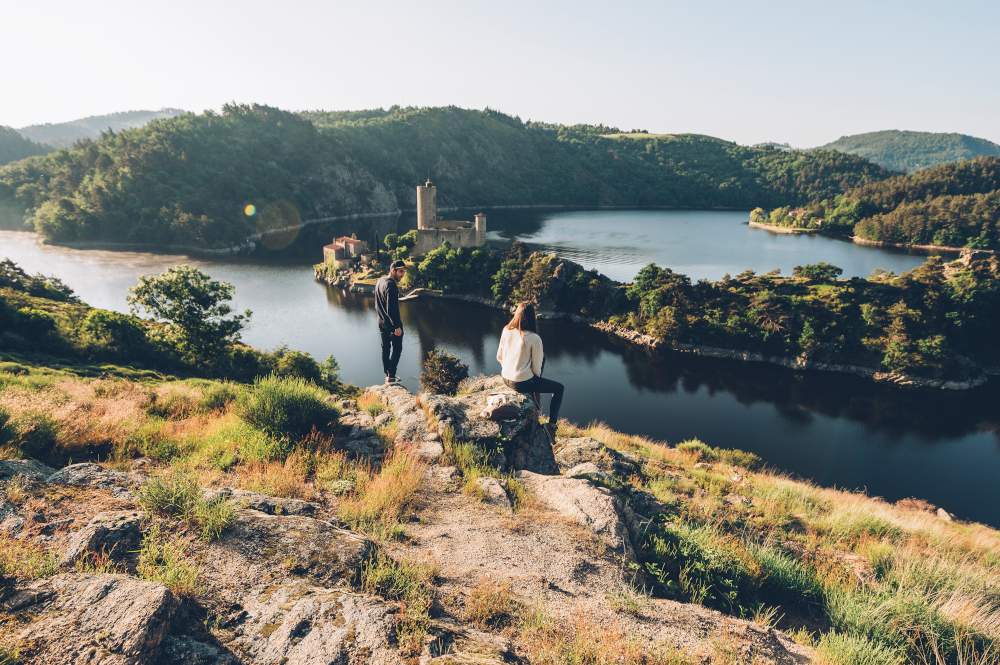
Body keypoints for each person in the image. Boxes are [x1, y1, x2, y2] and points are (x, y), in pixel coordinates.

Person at [496, 302, 564, 441]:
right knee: (559, 388)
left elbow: (500, 357)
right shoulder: (534, 338)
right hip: (521, 383)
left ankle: (534, 391)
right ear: (533, 317)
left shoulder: (506, 330)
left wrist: (512, 368)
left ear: (517, 315)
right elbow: (536, 369)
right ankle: (551, 425)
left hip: (505, 377)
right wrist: (535, 384)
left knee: (540, 358)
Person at [375, 260, 407, 383]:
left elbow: (377, 306)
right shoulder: (392, 285)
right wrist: (396, 326)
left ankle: (387, 374)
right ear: (393, 270)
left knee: (385, 349)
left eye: (403, 272)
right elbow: (390, 309)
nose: (402, 275)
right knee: (397, 348)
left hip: (381, 322)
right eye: (400, 271)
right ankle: (392, 376)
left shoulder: (380, 281)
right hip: (392, 324)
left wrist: (381, 319)